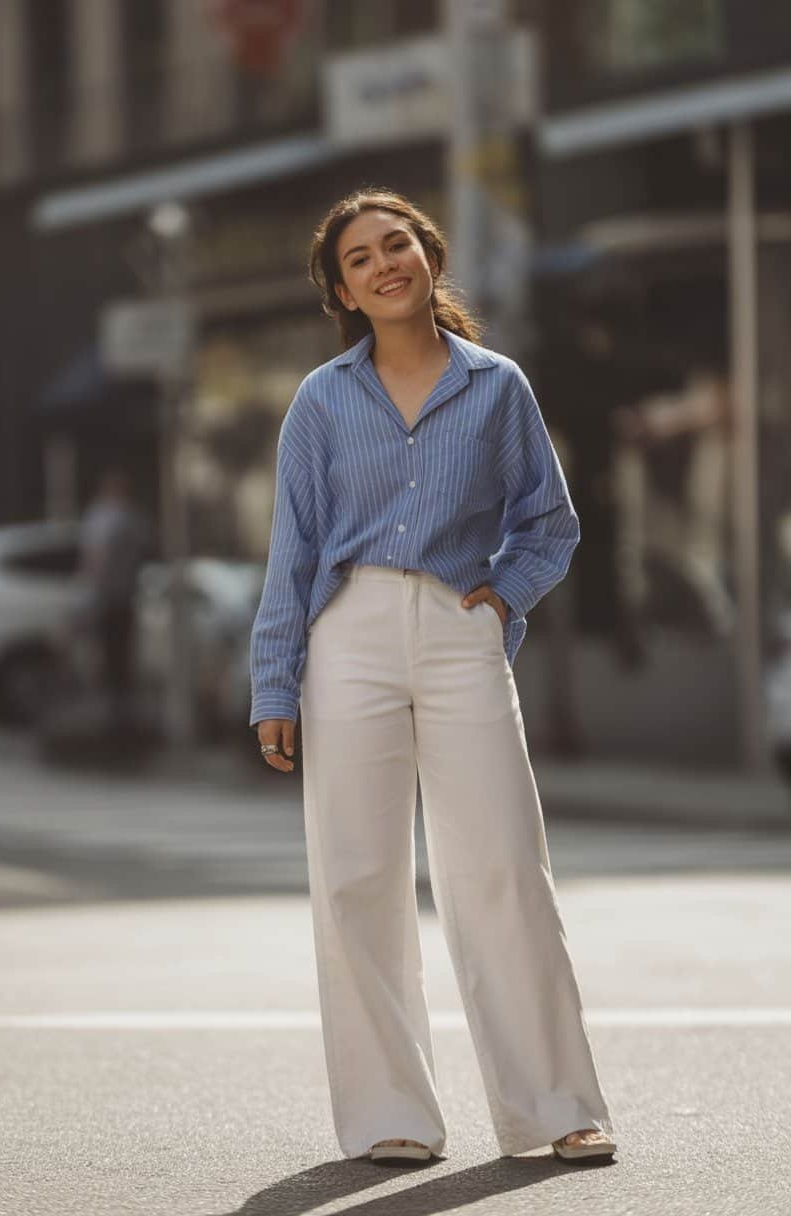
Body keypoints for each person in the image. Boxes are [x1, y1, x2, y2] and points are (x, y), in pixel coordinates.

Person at [249, 188, 616, 1165]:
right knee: (357, 876)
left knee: (503, 864)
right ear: (342, 289)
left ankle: (553, 1105)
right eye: (361, 257)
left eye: (396, 244)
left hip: (461, 626)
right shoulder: (322, 400)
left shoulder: (497, 386)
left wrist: (503, 598)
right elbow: (291, 551)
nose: (384, 263)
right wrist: (273, 684)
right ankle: (389, 1116)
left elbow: (549, 520)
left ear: (427, 254)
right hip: (348, 634)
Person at [79, 468, 149, 727]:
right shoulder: (114, 518)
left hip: (116, 597)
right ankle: (113, 709)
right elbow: (96, 558)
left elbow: (95, 558)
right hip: (114, 597)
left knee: (114, 655)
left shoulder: (113, 518)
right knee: (114, 655)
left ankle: (115, 709)